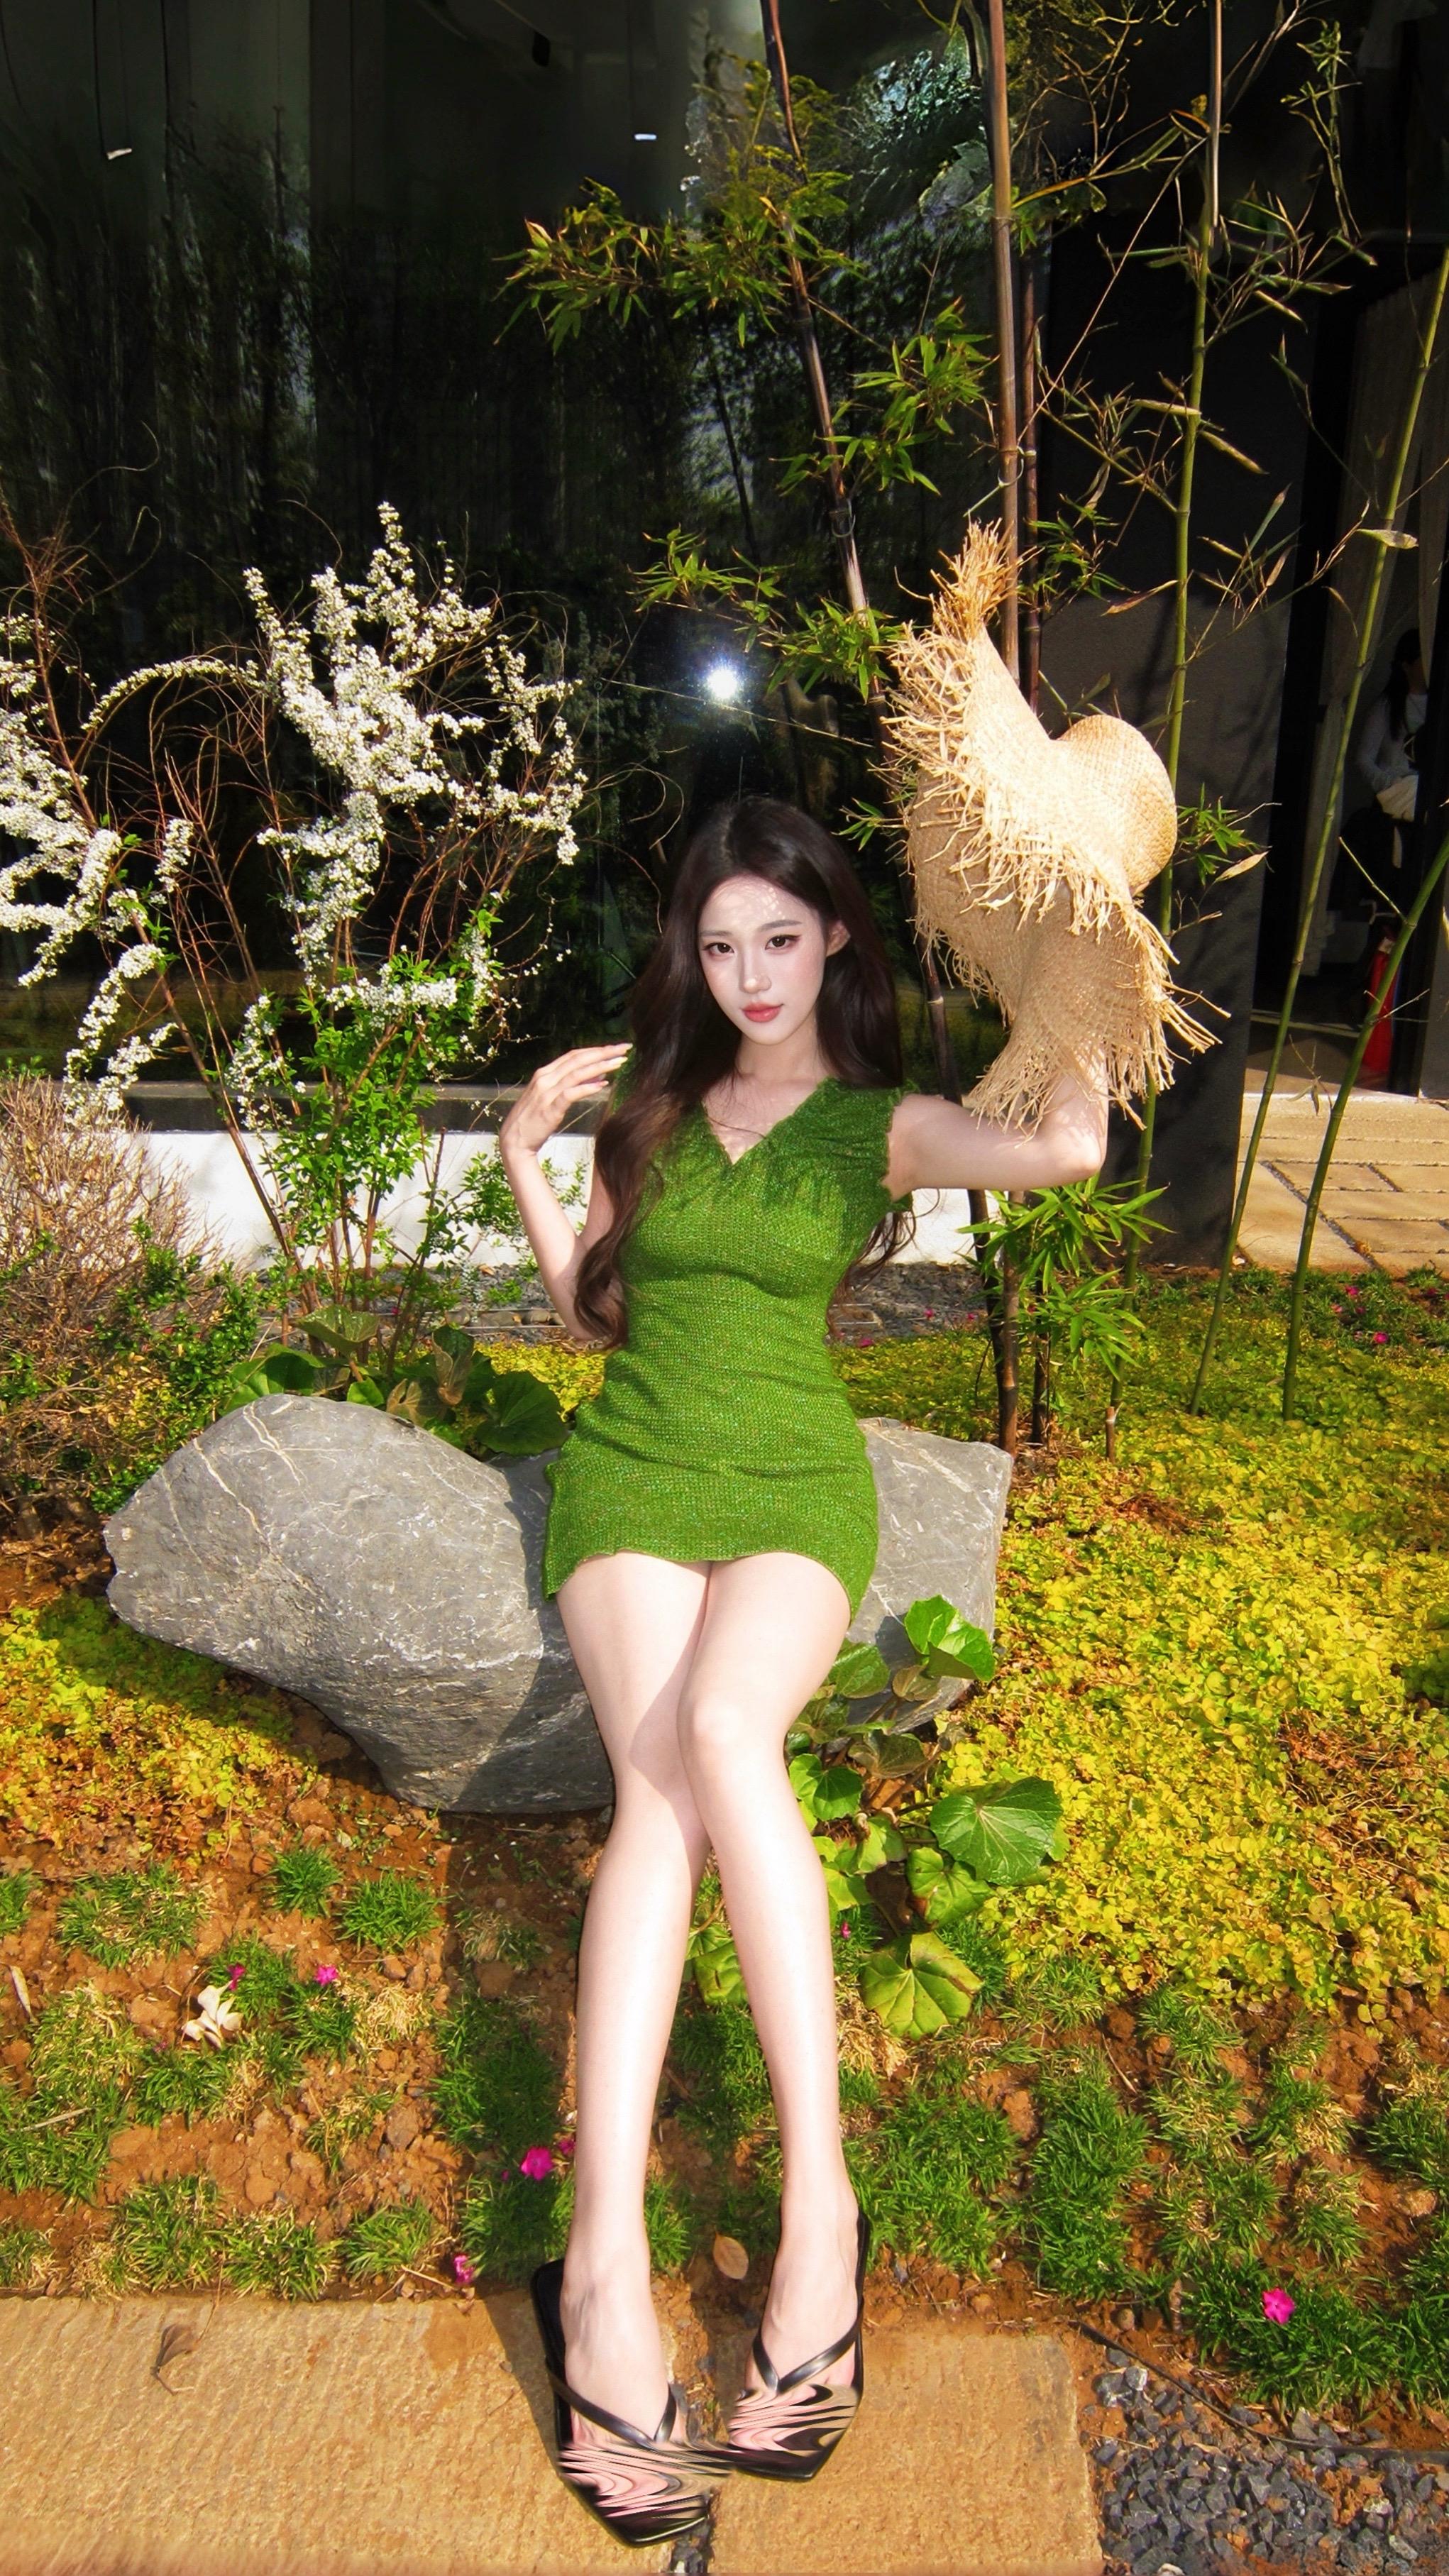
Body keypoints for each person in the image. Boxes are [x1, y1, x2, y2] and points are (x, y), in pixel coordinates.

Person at [498, 796, 1107, 2546]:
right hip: (633, 1471)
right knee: (654, 1797)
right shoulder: (653, 1109)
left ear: (836, 935)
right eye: (718, 945)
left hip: (791, 1488)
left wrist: (1079, 947)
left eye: (779, 937)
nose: (749, 974)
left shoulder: (875, 1128)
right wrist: (532, 1153)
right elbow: (592, 1316)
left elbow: (1070, 1148)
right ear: (688, 957)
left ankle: (820, 2219)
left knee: (719, 1730)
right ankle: (601, 2272)